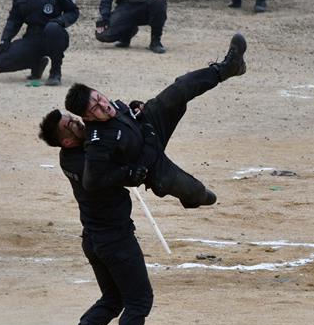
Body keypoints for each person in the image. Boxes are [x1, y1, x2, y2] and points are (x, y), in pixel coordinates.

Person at [62, 34, 247, 209]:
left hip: (150, 126)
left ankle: (226, 68)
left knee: (180, 89)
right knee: (196, 192)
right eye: (95, 108)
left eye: (99, 98)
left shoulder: (109, 105)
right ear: (87, 118)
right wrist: (128, 174)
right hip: (149, 163)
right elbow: (91, 182)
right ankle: (196, 196)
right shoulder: (97, 142)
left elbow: (123, 114)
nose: (103, 106)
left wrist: (135, 108)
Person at [38, 110, 156, 325]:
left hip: (94, 239)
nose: (79, 122)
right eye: (71, 124)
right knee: (139, 300)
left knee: (114, 299)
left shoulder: (71, 158)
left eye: (73, 117)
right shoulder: (90, 162)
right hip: (115, 240)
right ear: (66, 141)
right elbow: (121, 168)